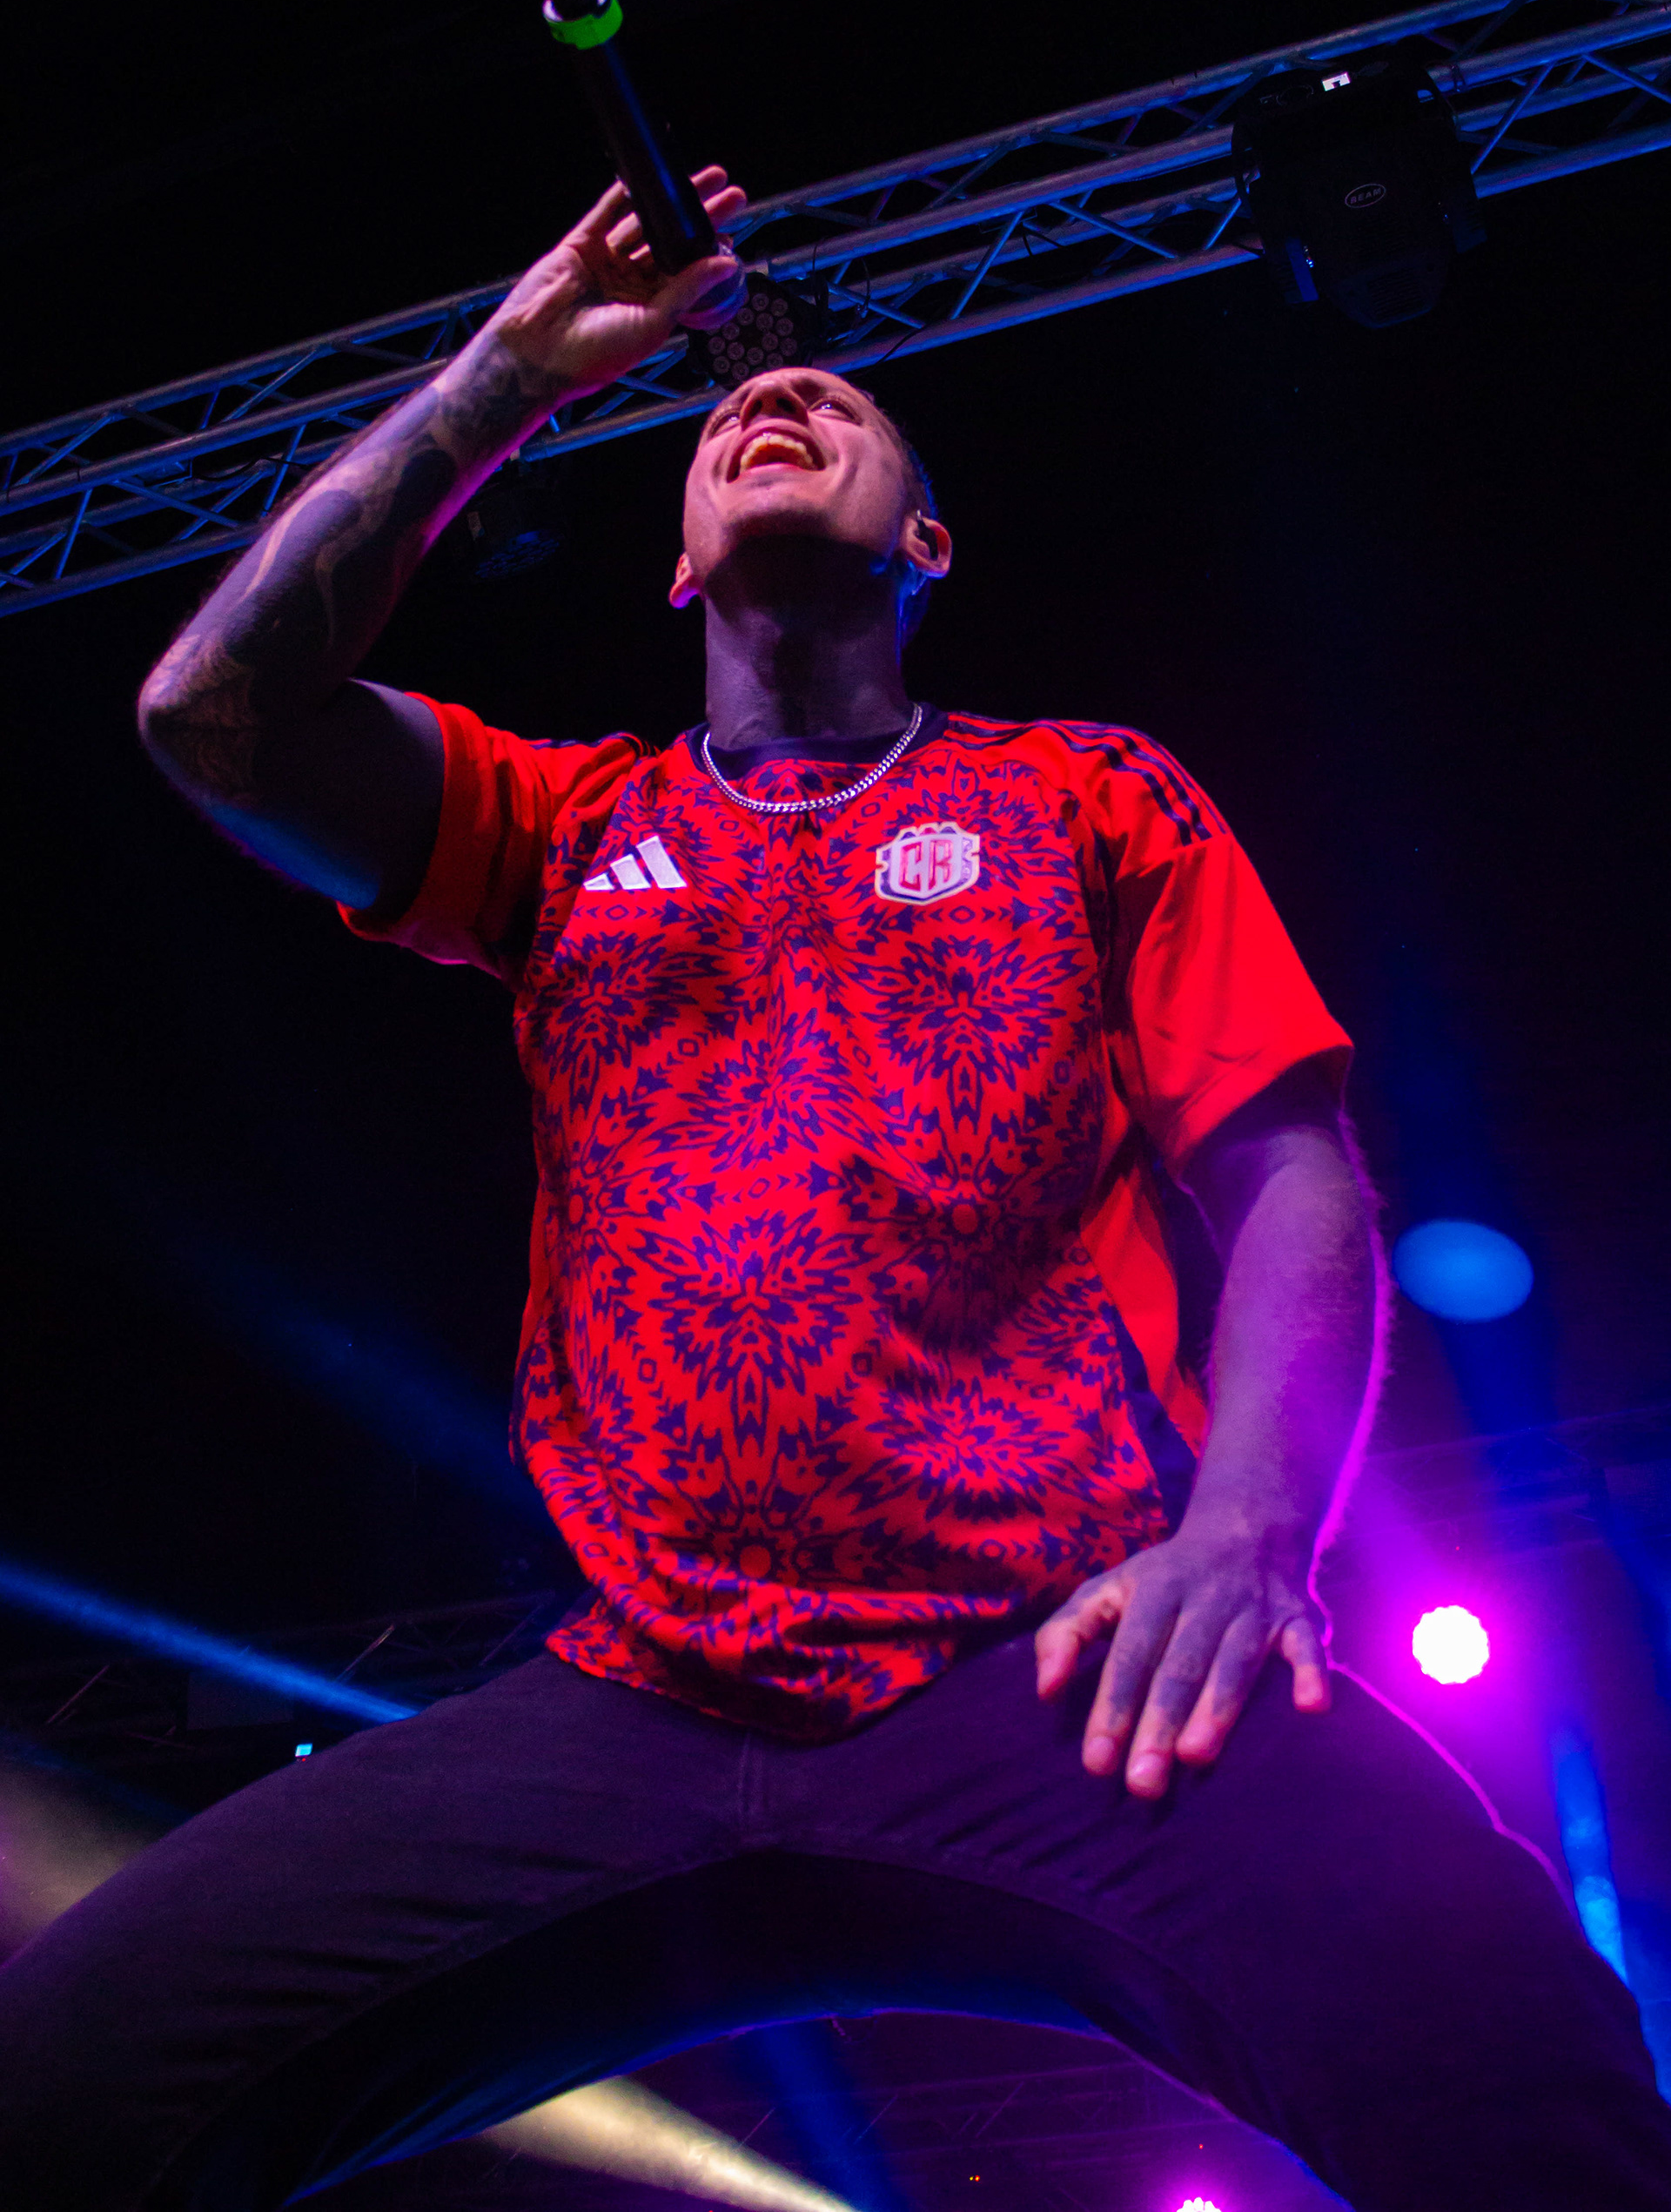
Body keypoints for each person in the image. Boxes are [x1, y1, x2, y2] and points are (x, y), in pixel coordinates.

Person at [1, 174, 1665, 2212]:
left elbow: (1292, 1176)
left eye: (838, 407)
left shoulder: (1088, 795)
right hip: (634, 1694)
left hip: (1073, 1665)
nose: (773, 403)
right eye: (728, 417)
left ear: (926, 543)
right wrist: (513, 370)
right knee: (59, 2088)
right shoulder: (560, 826)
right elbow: (213, 715)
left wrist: (1251, 1535)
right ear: (676, 564)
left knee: (1518, 2061)